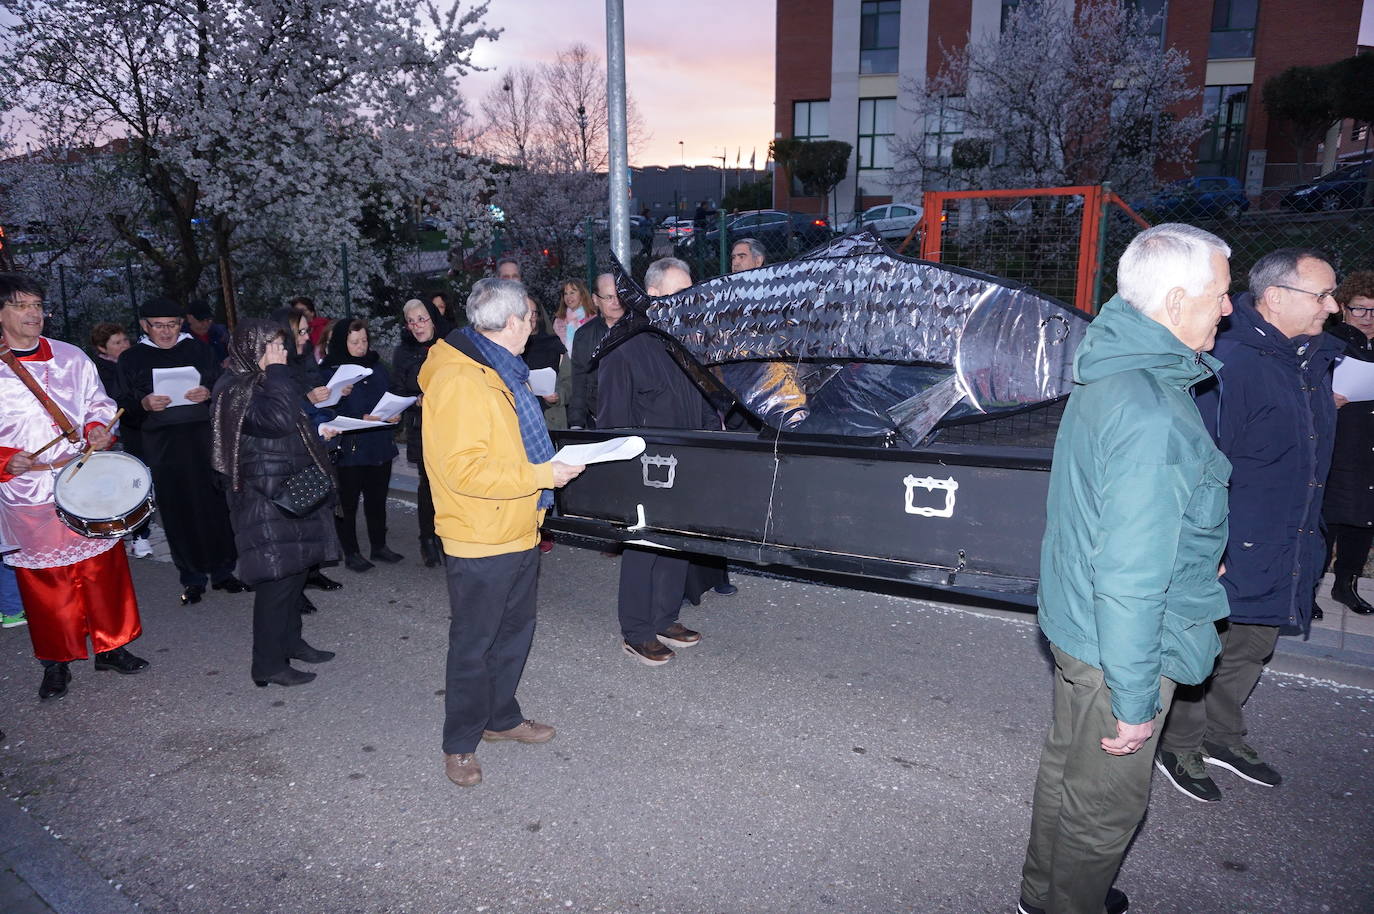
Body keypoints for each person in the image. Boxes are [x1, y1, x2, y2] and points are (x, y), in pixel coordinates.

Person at [1016, 224, 1234, 914]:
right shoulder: (1152, 411)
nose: (1229, 309)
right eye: (1221, 294)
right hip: (1123, 643)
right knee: (1106, 805)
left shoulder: (1112, 367)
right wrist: (1137, 701)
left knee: (1067, 768)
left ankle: (1042, 898)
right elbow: (1134, 577)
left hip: (1082, 624)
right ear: (1175, 302)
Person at [1155, 248, 1341, 803]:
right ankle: (1179, 742)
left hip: (1290, 538)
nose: (1332, 307)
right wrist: (1206, 545)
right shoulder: (1229, 364)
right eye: (1322, 295)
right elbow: (1201, 461)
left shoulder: (1312, 361)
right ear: (1276, 297)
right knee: (1205, 648)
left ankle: (1222, 736)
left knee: (1254, 646)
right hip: (1233, 542)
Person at [419, 278, 583, 787]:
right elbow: (461, 472)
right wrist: (542, 476)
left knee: (513, 634)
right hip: (480, 535)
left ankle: (501, 718)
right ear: (512, 322)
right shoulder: (460, 380)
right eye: (531, 317)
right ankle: (459, 744)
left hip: (516, 524)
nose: (535, 324)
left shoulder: (497, 369)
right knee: (475, 643)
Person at [0, 273, 150, 701]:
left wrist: (99, 427)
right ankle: (57, 660)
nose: (34, 314)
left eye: (37, 305)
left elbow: (97, 402)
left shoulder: (70, 357)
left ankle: (113, 645)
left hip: (83, 475)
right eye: (22, 305)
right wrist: (6, 459)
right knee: (47, 580)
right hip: (26, 488)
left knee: (103, 568)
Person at [599, 258, 719, 666]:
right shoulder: (624, 348)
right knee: (643, 549)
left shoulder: (685, 340)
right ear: (653, 296)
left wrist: (712, 444)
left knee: (677, 544)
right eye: (679, 293)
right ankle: (636, 631)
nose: (689, 300)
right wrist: (622, 477)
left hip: (688, 462)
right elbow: (612, 422)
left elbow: (704, 399)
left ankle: (665, 617)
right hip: (646, 470)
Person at [211, 319, 341, 688]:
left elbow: (290, 425)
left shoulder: (266, 381)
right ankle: (267, 664)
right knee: (276, 580)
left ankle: (291, 642)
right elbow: (279, 420)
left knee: (295, 571)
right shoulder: (235, 388)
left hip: (290, 488)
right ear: (252, 348)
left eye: (282, 346)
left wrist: (320, 434)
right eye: (272, 347)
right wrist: (280, 373)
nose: (281, 353)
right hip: (264, 497)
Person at [117, 295, 244, 605]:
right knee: (177, 511)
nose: (166, 332)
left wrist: (209, 391)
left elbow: (221, 385)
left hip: (203, 437)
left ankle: (224, 571)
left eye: (172, 325)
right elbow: (121, 407)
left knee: (215, 506)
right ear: (144, 326)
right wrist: (143, 404)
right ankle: (192, 578)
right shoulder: (131, 359)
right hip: (164, 444)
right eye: (158, 326)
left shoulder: (198, 349)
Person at [318, 318, 403, 572]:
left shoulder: (377, 367)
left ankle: (379, 546)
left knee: (377, 500)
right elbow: (324, 409)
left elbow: (389, 394)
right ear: (342, 342)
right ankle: (351, 551)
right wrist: (357, 415)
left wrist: (394, 413)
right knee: (349, 503)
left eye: (364, 340)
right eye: (354, 341)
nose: (361, 346)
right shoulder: (329, 371)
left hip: (379, 445)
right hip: (350, 449)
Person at [274, 306, 344, 600]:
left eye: (306, 331)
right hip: (291, 455)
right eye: (300, 332)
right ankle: (295, 586)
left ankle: (312, 572)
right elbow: (277, 414)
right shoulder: (274, 369)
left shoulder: (303, 361)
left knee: (316, 514)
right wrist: (307, 399)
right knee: (296, 520)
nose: (306, 337)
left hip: (315, 446)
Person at [1323, 269, 1374, 616]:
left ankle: (1347, 585)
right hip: (1338, 442)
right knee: (1328, 519)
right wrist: (1326, 399)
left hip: (1369, 445)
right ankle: (1308, 588)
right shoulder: (1328, 344)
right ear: (1343, 308)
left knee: (1364, 518)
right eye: (1360, 309)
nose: (1368, 319)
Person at [391, 298, 452, 568]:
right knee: (428, 484)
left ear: (433, 317)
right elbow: (399, 388)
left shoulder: (450, 342)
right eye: (411, 321)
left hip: (452, 423)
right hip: (422, 425)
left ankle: (449, 535)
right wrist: (415, 397)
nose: (417, 326)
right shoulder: (403, 352)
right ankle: (427, 537)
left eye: (422, 318)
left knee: (451, 482)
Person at [89, 322, 153, 559]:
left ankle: (140, 536)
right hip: (109, 437)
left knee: (141, 483)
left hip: (136, 432)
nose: (125, 345)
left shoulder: (134, 363)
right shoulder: (96, 371)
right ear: (101, 348)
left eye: (125, 340)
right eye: (117, 343)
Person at [567, 273, 626, 429]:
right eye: (609, 297)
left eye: (619, 295)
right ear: (595, 300)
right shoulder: (584, 335)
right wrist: (576, 423)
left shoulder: (641, 330)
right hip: (599, 420)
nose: (616, 302)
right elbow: (579, 381)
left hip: (637, 420)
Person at [553, 279, 596, 353]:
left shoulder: (594, 319)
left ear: (582, 295)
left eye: (572, 292)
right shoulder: (558, 323)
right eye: (565, 293)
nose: (568, 297)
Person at [184, 300, 229, 364]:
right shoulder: (181, 339)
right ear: (189, 318)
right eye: (200, 320)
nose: (205, 324)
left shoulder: (220, 334)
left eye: (208, 320)